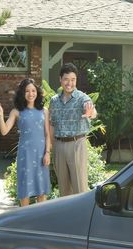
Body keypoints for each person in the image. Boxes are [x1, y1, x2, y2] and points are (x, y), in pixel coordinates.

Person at [0, 78, 51, 207]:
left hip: (41, 154)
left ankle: (40, 217)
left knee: (41, 187)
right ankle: (25, 218)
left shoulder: (44, 111)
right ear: (22, 93)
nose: (31, 93)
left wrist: (47, 153)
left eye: (33, 90)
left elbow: (47, 134)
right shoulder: (16, 112)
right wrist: (0, 116)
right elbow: (4, 131)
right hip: (25, 155)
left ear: (37, 92)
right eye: (27, 91)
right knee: (25, 187)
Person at [49, 63, 97, 196]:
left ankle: (82, 216)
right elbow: (52, 124)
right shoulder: (54, 101)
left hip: (76, 145)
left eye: (73, 79)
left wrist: (90, 113)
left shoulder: (83, 98)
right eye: (66, 79)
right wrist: (52, 148)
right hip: (58, 146)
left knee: (79, 187)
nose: (69, 83)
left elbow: (92, 111)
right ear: (60, 79)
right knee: (63, 189)